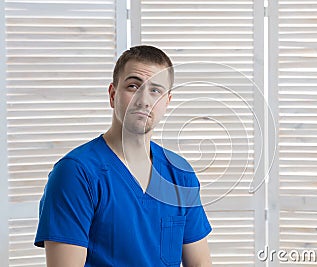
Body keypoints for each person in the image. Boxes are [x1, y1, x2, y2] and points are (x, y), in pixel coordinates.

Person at [34, 45, 213, 266]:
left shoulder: (180, 174)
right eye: (133, 86)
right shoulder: (76, 173)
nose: (144, 100)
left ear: (167, 102)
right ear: (112, 95)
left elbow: (199, 263)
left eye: (155, 91)